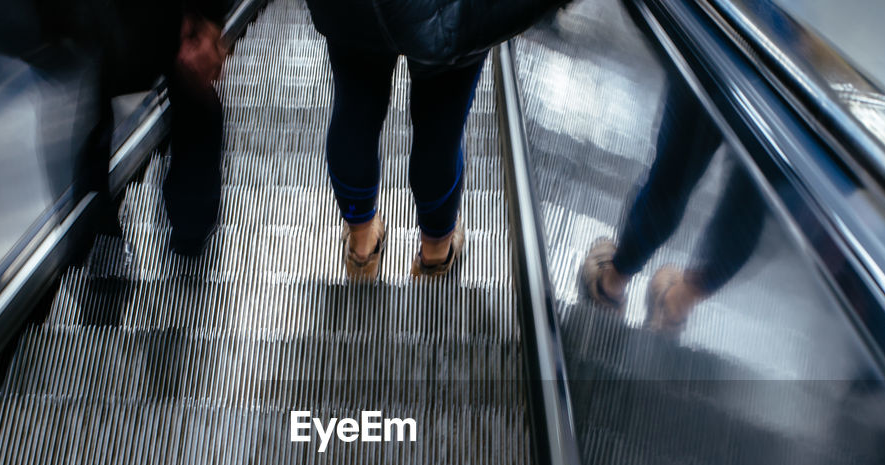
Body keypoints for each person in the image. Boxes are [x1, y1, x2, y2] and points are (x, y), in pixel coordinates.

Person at [303, 0, 564, 279]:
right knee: (440, 131)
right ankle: (435, 255)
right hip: (452, 15)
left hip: (354, 10)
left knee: (354, 108)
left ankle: (362, 247)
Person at [0, 0, 229, 256]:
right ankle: (188, 227)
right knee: (192, 98)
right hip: (121, 25)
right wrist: (208, 19)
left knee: (89, 123)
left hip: (84, 29)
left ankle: (101, 250)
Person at [581, 77, 764, 332]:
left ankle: (610, 286)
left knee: (677, 165)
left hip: (723, 63)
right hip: (793, 77)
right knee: (755, 197)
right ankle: (675, 307)